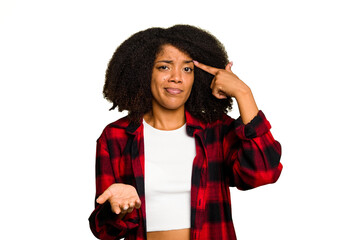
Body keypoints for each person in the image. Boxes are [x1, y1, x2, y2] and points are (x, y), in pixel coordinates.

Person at [89, 24, 282, 240]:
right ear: (144, 72)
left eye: (187, 69)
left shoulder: (216, 131)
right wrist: (117, 208)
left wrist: (243, 93)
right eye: (164, 67)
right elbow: (103, 230)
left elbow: (264, 173)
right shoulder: (116, 136)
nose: (176, 77)